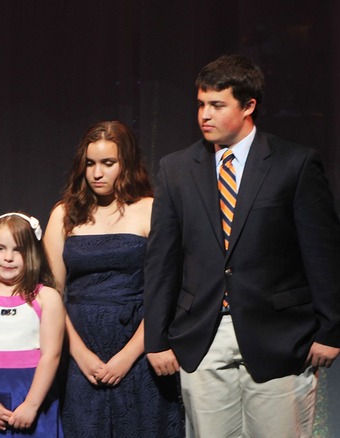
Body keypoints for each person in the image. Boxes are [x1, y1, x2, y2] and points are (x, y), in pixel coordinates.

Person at [144, 54, 340, 437]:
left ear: (249, 106)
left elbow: (323, 253)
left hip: (280, 335)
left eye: (217, 105)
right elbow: (162, 260)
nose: (205, 114)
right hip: (202, 333)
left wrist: (331, 330)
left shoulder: (294, 164)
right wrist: (156, 339)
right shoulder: (177, 169)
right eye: (201, 104)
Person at [43, 121, 183, 437]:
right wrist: (79, 354)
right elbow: (50, 295)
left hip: (141, 346)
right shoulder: (63, 215)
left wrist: (130, 354)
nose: (97, 173)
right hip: (79, 348)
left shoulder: (150, 209)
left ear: (127, 164)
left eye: (108, 163)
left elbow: (165, 290)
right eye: (90, 163)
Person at [0, 213, 65, 436]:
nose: (8, 257)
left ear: (33, 254)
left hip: (34, 399)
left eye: (18, 250)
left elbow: (51, 355)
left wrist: (32, 405)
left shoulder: (47, 298)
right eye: (0, 248)